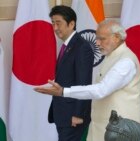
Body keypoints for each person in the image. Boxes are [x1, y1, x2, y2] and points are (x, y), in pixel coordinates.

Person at [34, 19, 140, 141]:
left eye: (102, 39)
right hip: (102, 129)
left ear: (117, 37)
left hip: (122, 132)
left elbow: (102, 90)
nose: (96, 43)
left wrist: (63, 91)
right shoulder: (111, 56)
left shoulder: (126, 61)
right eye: (97, 38)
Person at [47, 5, 94, 141]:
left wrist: (78, 114)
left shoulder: (81, 47)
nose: (55, 28)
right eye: (53, 23)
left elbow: (83, 83)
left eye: (58, 23)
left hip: (73, 116)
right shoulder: (67, 45)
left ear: (71, 23)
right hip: (63, 114)